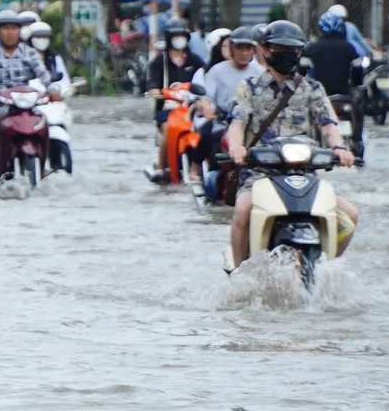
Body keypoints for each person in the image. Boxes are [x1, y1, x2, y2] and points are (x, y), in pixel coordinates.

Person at [225, 20, 358, 270]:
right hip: (260, 173)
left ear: (300, 52)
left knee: (350, 215)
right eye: (279, 48)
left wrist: (340, 148)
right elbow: (237, 123)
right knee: (242, 210)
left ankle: (326, 267)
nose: (286, 54)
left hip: (304, 173)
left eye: (293, 50)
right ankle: (238, 270)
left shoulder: (312, 88)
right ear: (264, 49)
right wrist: (237, 147)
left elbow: (329, 125)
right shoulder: (249, 88)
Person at [0, 10, 53, 186]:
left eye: (14, 28)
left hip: (26, 103)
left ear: (19, 31)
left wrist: (53, 90)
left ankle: (46, 162)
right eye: (5, 28)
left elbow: (44, 75)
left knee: (46, 122)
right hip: (0, 102)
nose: (10, 32)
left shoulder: (29, 52)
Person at [189, 27, 266, 179]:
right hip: (223, 121)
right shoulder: (216, 71)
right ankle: (195, 168)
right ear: (231, 49)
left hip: (253, 122)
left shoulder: (261, 72)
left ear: (253, 50)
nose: (244, 53)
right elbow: (207, 96)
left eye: (247, 48)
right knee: (205, 132)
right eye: (239, 48)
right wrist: (206, 106)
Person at [145, 18, 207, 182]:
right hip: (166, 111)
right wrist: (155, 91)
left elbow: (204, 78)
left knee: (205, 132)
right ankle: (160, 166)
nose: (179, 38)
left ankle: (201, 167)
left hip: (190, 109)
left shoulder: (195, 61)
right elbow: (152, 81)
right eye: (175, 35)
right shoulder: (159, 62)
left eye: (182, 35)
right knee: (167, 129)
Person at [302, 12, 361, 97]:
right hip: (343, 94)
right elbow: (358, 69)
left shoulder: (311, 47)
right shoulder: (349, 48)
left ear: (320, 28)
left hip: (319, 94)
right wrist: (355, 84)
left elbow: (302, 70)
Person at [25, 21, 70, 93]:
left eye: (45, 37)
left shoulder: (55, 58)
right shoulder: (24, 57)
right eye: (38, 37)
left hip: (51, 97)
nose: (42, 40)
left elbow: (65, 82)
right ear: (30, 39)